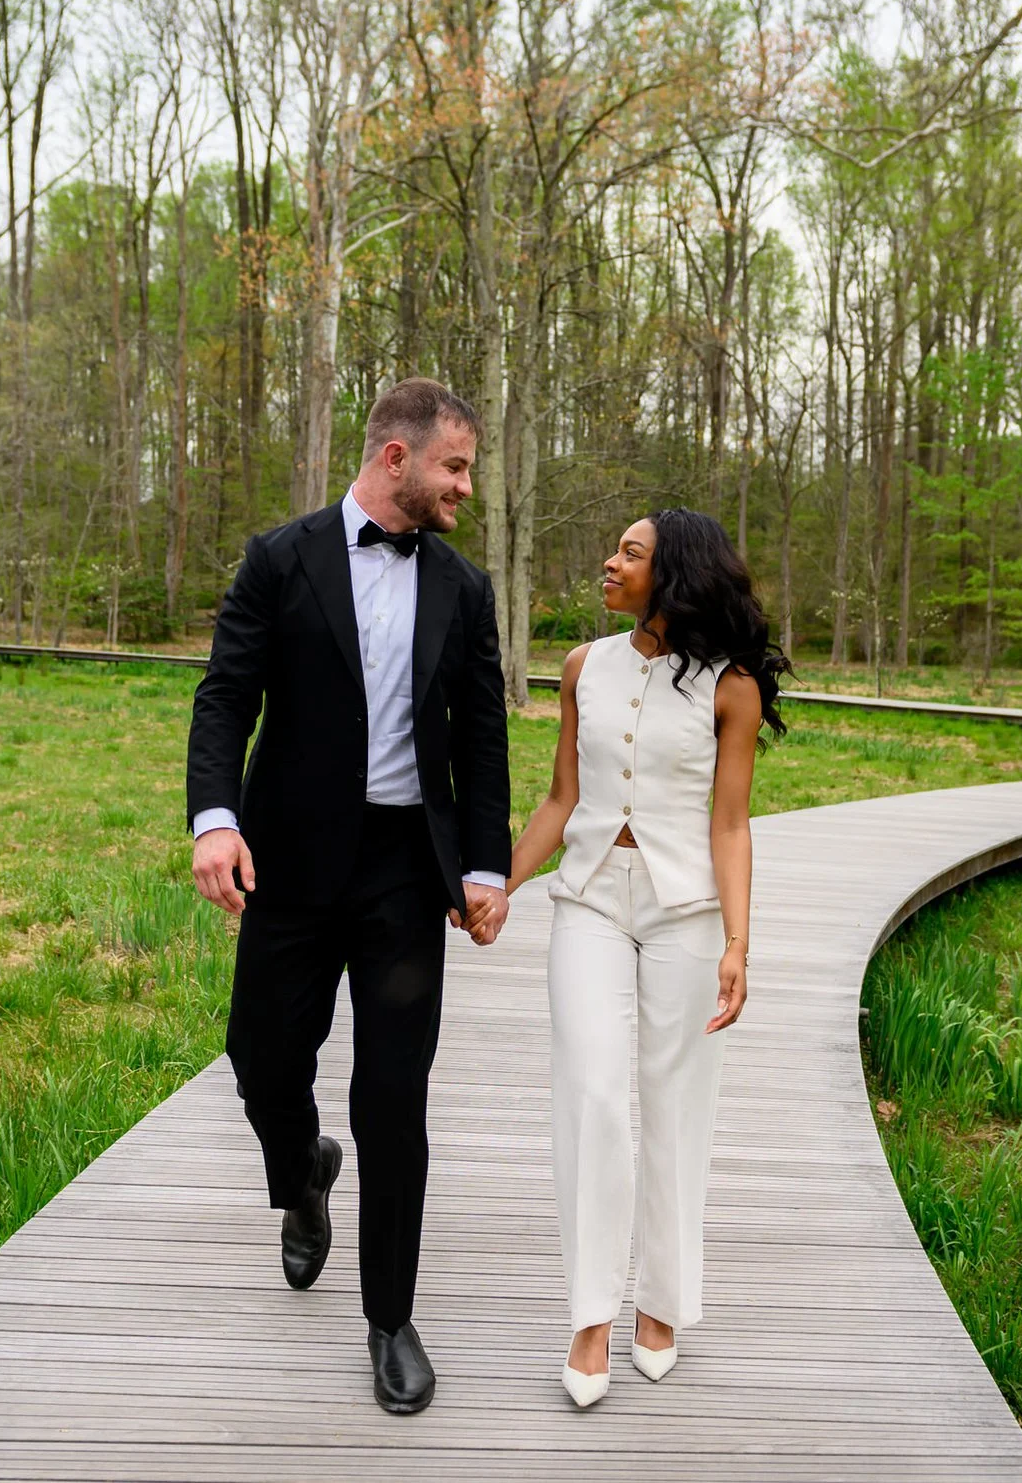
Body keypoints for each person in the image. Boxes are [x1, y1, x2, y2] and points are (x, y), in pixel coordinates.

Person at [185, 378, 513, 1416]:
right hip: (286, 855)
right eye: (455, 465)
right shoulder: (279, 560)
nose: (466, 484)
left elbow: (480, 737)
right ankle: (302, 1167)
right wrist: (215, 818)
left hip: (402, 870)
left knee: (393, 1097)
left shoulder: (463, 587)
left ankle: (389, 1316)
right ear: (393, 458)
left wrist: (484, 866)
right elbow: (226, 694)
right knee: (261, 1055)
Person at [504, 509, 787, 1409]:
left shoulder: (729, 686)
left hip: (688, 911)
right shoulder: (585, 666)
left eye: (630, 552)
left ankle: (661, 1302)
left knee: (676, 1103)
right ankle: (591, 1314)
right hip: (590, 894)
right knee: (590, 1092)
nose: (609, 560)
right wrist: (498, 883)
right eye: (615, 547)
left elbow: (730, 822)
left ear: (674, 575)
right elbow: (560, 799)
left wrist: (739, 941)